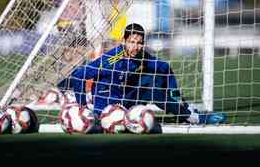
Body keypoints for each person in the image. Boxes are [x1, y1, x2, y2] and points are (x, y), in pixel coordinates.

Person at [58, 23, 226, 125]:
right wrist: (83, 108)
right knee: (148, 81)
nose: (135, 47)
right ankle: (186, 112)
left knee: (152, 82)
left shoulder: (142, 56)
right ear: (124, 41)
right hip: (106, 108)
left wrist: (177, 96)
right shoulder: (111, 59)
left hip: (127, 100)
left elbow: (165, 68)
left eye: (139, 43)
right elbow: (79, 75)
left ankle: (189, 115)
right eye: (131, 42)